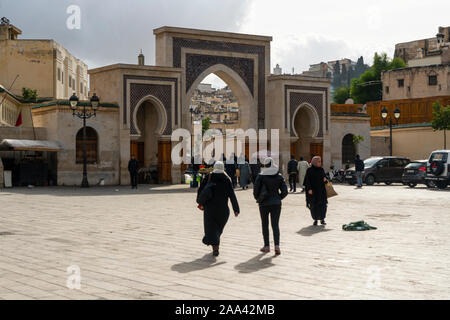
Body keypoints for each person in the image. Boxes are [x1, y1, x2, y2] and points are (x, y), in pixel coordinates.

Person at [197, 161, 240, 256]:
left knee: (211, 228)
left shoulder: (208, 177)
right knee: (218, 229)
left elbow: (200, 191)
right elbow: (232, 195)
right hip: (223, 210)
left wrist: (200, 202)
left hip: (210, 209)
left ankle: (214, 246)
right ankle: (215, 245)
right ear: (223, 168)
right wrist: (236, 209)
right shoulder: (227, 179)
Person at [253, 157, 288, 255]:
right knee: (275, 225)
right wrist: (278, 198)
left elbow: (255, 190)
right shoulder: (279, 176)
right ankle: (277, 246)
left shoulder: (261, 176)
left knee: (265, 224)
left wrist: (258, 199)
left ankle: (267, 246)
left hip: (264, 203)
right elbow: (285, 192)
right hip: (276, 203)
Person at [303, 156, 328, 226]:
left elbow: (325, 179)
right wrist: (309, 189)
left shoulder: (321, 170)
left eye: (320, 161)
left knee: (323, 206)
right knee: (314, 206)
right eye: (319, 161)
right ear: (314, 162)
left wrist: (325, 180)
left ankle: (322, 219)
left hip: (321, 192)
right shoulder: (309, 170)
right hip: (313, 192)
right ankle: (315, 219)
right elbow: (307, 181)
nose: (320, 163)